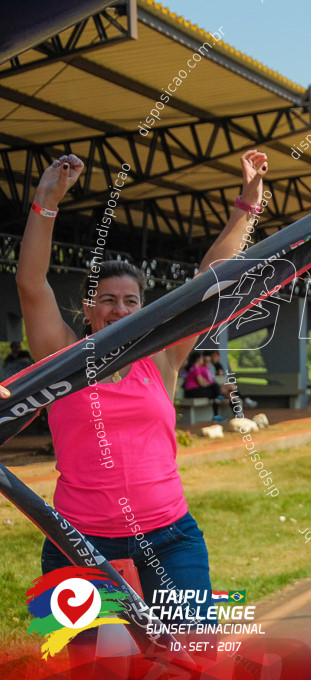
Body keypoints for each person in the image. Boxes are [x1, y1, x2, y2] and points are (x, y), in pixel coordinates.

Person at [12, 149, 270, 662]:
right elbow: (30, 284)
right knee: (91, 668)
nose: (119, 310)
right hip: (76, 541)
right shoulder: (61, 358)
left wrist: (248, 203)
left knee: (194, 656)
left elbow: (212, 278)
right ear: (87, 308)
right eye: (107, 299)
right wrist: (45, 203)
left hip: (171, 535)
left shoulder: (163, 357)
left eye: (131, 302)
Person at [183, 352, 227, 422]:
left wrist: (206, 383)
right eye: (201, 359)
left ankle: (216, 413)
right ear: (198, 359)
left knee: (214, 391)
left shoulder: (194, 368)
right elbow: (201, 383)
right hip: (191, 392)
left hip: (192, 391)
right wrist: (209, 384)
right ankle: (216, 413)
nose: (202, 361)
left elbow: (202, 381)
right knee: (214, 390)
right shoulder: (195, 368)